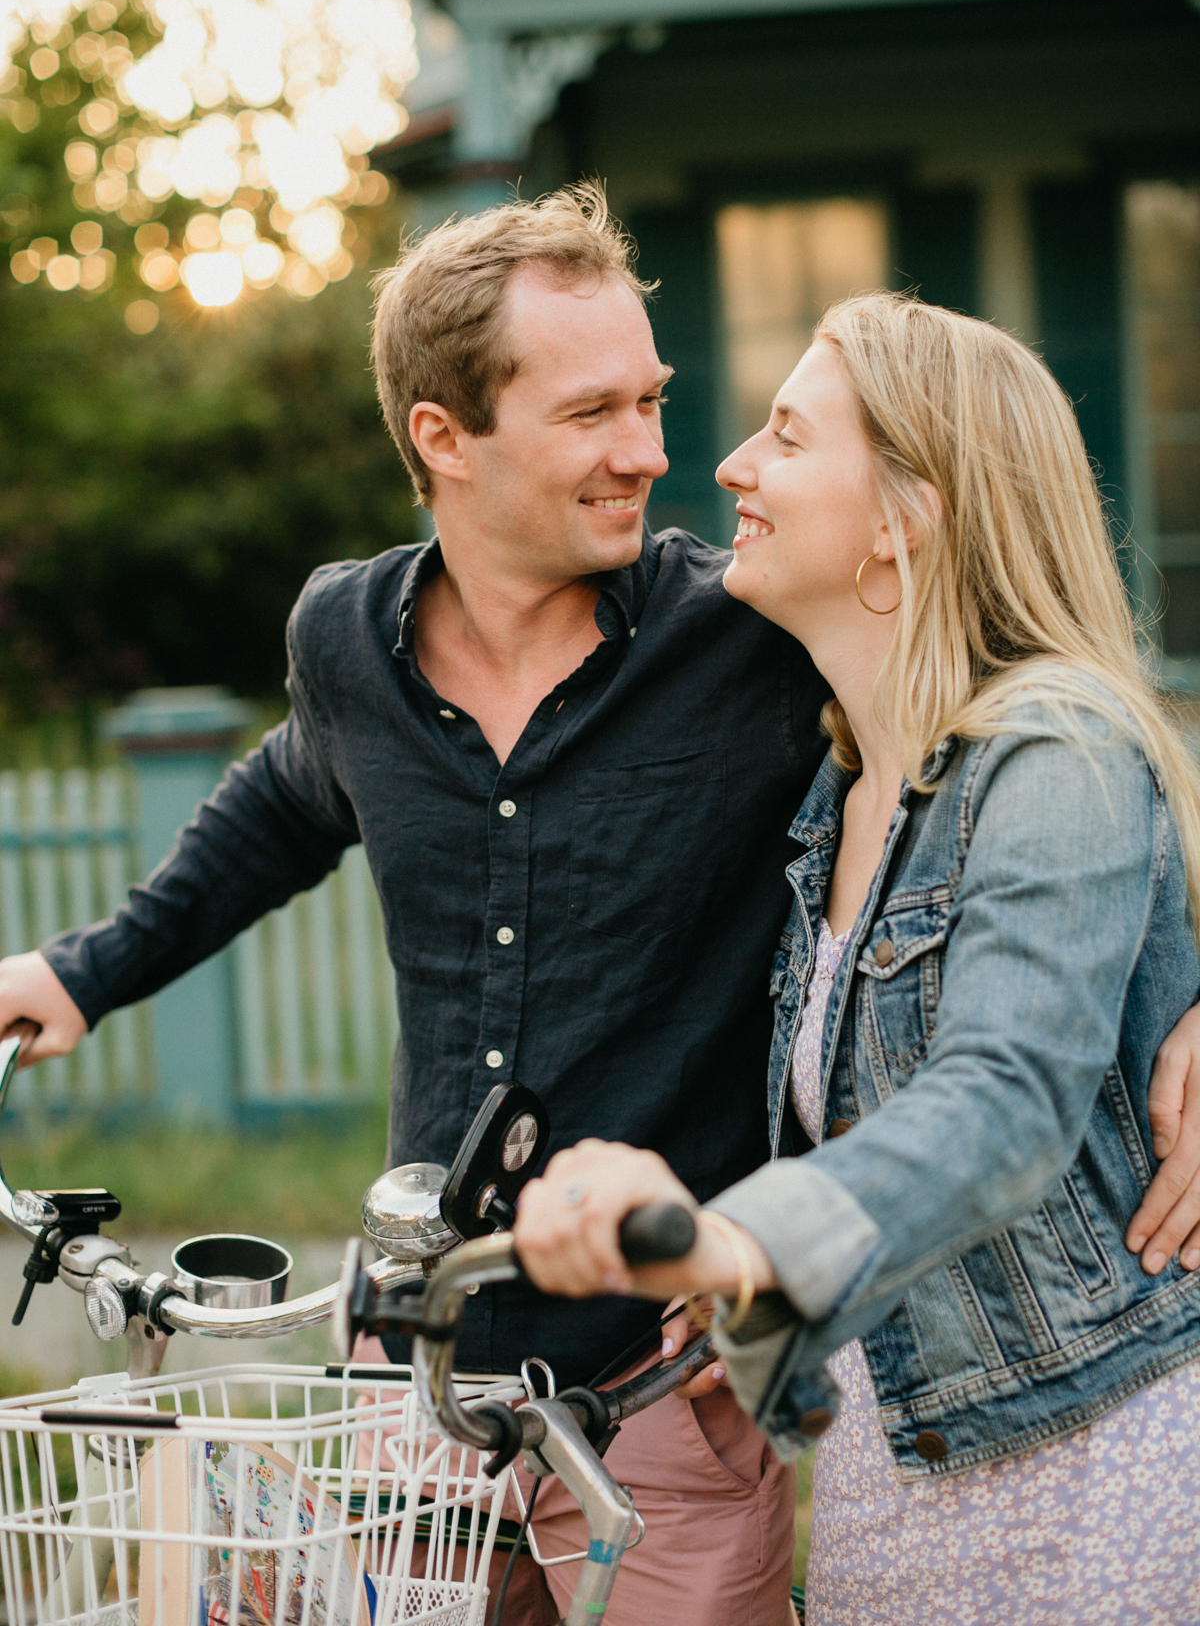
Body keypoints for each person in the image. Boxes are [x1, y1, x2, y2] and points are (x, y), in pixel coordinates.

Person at [0, 195, 1197, 1623]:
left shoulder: (750, 642)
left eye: (655, 399)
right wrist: (84, 971)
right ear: (445, 439)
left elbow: (1059, 799)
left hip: (668, 1381)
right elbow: (286, 799)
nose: (663, 454)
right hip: (425, 1369)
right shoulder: (346, 645)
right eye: (591, 413)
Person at [512, 292, 1200, 1624]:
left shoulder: (1056, 755)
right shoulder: (842, 793)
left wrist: (736, 1239)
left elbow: (1006, 1099)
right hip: (904, 1473)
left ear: (907, 513)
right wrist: (764, 1309)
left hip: (1092, 1470)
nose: (727, 471)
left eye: (785, 437)